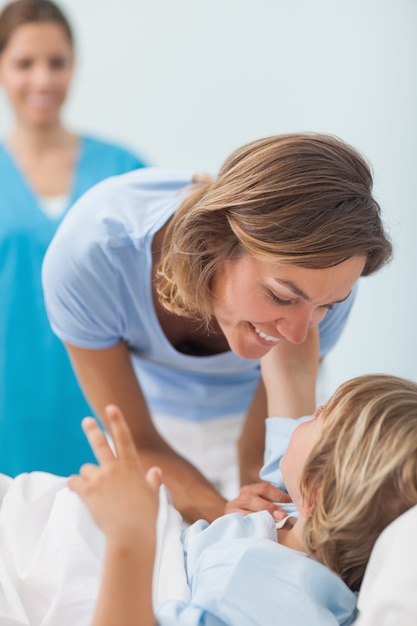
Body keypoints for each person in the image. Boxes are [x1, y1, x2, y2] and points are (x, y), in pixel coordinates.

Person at [42, 132, 393, 522]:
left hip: (260, 416)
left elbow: (269, 455)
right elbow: (140, 443)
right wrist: (226, 517)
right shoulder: (93, 256)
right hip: (156, 419)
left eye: (326, 306)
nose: (297, 334)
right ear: (214, 241)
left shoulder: (324, 280)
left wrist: (267, 513)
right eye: (280, 296)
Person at [0, 368, 415, 625]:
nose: (308, 415)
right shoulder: (293, 517)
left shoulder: (268, 588)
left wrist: (130, 534)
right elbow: (292, 372)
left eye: (321, 416)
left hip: (39, 565)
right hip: (33, 518)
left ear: (317, 492)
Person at [0, 0, 147, 476]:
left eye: (56, 63)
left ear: (73, 67)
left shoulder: (123, 172)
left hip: (104, 401)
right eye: (25, 63)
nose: (42, 80)